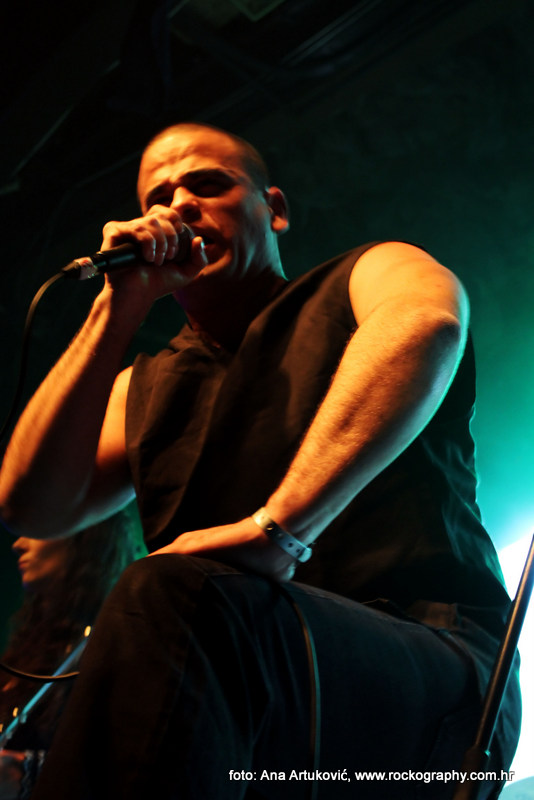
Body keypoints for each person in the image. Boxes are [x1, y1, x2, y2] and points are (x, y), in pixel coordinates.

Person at [0, 122, 521, 799]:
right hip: (249, 699)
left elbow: (427, 326)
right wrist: (116, 304)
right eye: (159, 196)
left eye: (208, 184)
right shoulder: (146, 386)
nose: (180, 206)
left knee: (173, 590)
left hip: (442, 682)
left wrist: (280, 530)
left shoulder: (367, 273)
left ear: (273, 208)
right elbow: (31, 503)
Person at [0, 508, 145, 799]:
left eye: (38, 529)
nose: (18, 544)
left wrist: (24, 773)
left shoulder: (122, 644)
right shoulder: (30, 644)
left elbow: (126, 768)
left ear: (83, 534)